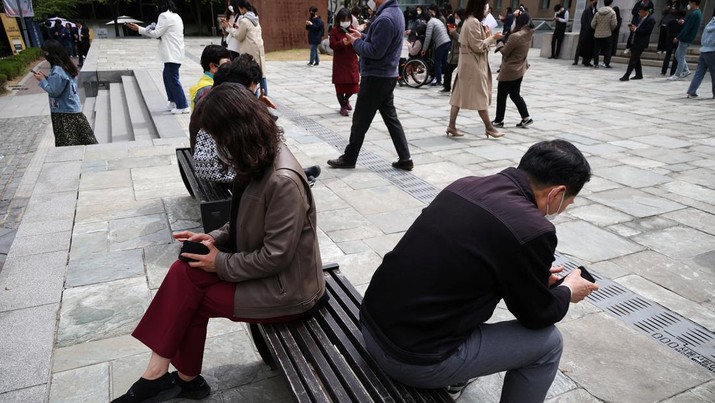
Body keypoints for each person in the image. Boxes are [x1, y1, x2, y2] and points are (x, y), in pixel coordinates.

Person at [112, 83, 326, 403]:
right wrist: (213, 237)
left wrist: (219, 262)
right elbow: (244, 217)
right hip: (266, 276)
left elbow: (276, 257)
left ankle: (168, 379)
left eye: (216, 135)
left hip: (288, 290)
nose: (216, 145)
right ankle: (171, 378)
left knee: (189, 297)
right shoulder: (255, 156)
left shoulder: (282, 180)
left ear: (235, 131)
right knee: (185, 272)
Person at [360, 139, 596, 401]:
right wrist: (567, 290)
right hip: (412, 358)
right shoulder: (532, 229)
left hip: (372, 324)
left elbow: (471, 262)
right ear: (556, 193)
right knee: (548, 344)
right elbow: (537, 315)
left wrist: (533, 274)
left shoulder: (465, 185)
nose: (563, 209)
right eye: (568, 202)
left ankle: (457, 377)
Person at [326, 0, 414, 171]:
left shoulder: (385, 18)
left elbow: (375, 51)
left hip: (376, 76)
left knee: (360, 120)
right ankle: (405, 158)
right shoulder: (394, 13)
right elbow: (379, 43)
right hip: (386, 75)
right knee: (391, 118)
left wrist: (355, 43)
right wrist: (363, 37)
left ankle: (349, 158)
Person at [446, 0, 504, 138]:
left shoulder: (471, 21)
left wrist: (488, 35)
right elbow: (478, 46)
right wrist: (492, 37)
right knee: (480, 96)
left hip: (468, 64)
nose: (487, 10)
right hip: (473, 66)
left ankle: (451, 126)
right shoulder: (473, 22)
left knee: (458, 96)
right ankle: (489, 127)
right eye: (486, 7)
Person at [127, 0, 190, 114]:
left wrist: (139, 29)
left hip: (171, 53)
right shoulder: (176, 16)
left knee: (172, 78)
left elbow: (156, 33)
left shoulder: (164, 16)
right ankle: (173, 101)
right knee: (167, 76)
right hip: (175, 52)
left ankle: (183, 105)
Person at [33, 40, 97, 147]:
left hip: (64, 113)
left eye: (45, 53)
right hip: (72, 108)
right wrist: (47, 78)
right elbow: (61, 85)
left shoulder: (57, 70)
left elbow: (54, 92)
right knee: (84, 140)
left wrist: (42, 80)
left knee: (67, 144)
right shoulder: (66, 65)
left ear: (51, 53)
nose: (44, 55)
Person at [492, 10, 534, 129]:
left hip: (510, 70)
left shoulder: (516, 36)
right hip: (520, 69)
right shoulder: (528, 32)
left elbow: (505, 52)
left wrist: (499, 42)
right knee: (515, 94)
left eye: (515, 20)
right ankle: (526, 117)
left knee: (502, 96)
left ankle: (499, 120)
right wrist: (506, 37)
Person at [231, 0, 268, 94]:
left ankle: (252, 97)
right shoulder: (255, 17)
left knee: (250, 75)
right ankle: (265, 96)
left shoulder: (244, 20)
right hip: (258, 48)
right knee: (261, 74)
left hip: (249, 51)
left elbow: (239, 36)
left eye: (239, 8)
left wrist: (232, 29)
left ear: (242, 8)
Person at [329, 8, 360, 117]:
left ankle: (346, 100)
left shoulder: (353, 30)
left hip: (351, 62)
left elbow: (358, 46)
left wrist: (356, 42)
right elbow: (332, 45)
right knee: (340, 86)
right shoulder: (334, 30)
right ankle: (342, 106)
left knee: (354, 86)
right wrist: (342, 43)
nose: (345, 22)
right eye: (343, 19)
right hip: (340, 63)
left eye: (347, 19)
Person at [188, 45, 232, 110]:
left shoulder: (204, 83)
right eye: (226, 64)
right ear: (212, 66)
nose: (230, 67)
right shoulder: (209, 90)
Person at [668, 0, 703, 81]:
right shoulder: (697, 12)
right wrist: (684, 21)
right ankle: (686, 70)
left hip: (686, 38)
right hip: (687, 37)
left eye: (690, 2)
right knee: (678, 55)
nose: (689, 4)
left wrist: (678, 37)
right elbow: (689, 24)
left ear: (694, 2)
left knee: (680, 56)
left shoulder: (695, 13)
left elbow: (687, 28)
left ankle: (677, 74)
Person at [620, 3, 655, 81]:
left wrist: (636, 29)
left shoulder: (651, 20)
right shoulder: (639, 18)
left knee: (633, 59)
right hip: (634, 40)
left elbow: (647, 31)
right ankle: (639, 74)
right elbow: (637, 27)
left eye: (641, 12)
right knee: (636, 58)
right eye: (639, 12)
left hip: (641, 42)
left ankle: (626, 75)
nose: (639, 13)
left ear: (646, 12)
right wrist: (633, 28)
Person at [686, 14, 715, 98]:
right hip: (712, 51)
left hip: (704, 50)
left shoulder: (710, 23)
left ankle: (691, 91)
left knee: (699, 72)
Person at [422, 4, 451, 87]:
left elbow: (428, 37)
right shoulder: (436, 20)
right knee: (444, 62)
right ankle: (446, 81)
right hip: (447, 41)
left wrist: (424, 49)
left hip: (441, 43)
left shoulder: (430, 23)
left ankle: (438, 81)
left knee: (437, 63)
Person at [442, 8, 466, 93]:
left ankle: (449, 87)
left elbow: (461, 39)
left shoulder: (464, 26)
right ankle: (447, 87)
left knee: (450, 70)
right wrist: (451, 32)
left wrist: (454, 32)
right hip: (453, 52)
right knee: (448, 70)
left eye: (456, 15)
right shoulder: (459, 24)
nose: (455, 17)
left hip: (458, 53)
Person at [591, 0, 617, 68]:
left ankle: (595, 63)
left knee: (596, 49)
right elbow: (614, 24)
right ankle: (606, 63)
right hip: (607, 34)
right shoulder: (612, 13)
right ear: (611, 3)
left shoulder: (598, 13)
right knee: (607, 49)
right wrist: (610, 29)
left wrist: (596, 29)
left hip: (597, 34)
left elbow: (592, 24)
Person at [661, 9, 686, 75]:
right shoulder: (684, 24)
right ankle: (672, 72)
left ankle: (663, 71)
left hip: (670, 40)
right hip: (678, 41)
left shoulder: (671, 22)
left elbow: (667, 31)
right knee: (676, 57)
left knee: (667, 56)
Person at [573, 0, 597, 66]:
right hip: (585, 32)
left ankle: (586, 61)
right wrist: (587, 28)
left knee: (589, 47)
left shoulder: (596, 11)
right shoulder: (586, 11)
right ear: (591, 2)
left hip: (592, 33)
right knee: (580, 46)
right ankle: (576, 60)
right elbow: (583, 21)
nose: (595, 2)